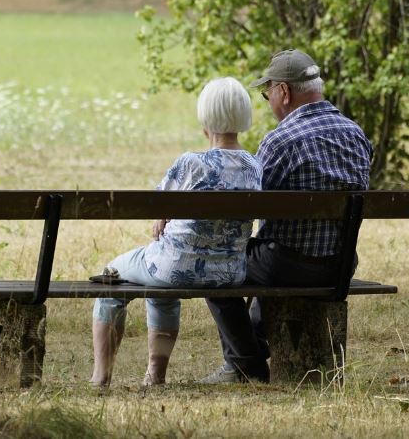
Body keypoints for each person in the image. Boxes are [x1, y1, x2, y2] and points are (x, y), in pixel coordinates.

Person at [200, 49, 373, 384]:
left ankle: (246, 365)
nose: (268, 102)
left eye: (267, 95)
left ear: (283, 91)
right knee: (271, 250)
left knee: (214, 262)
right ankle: (250, 353)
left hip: (287, 266)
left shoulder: (280, 142)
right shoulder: (356, 135)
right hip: (340, 265)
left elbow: (247, 207)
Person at [90, 77, 262, 387]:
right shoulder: (254, 166)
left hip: (174, 267)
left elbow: (157, 204)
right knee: (159, 282)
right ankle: (154, 376)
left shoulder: (191, 163)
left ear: (205, 118)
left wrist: (163, 216)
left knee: (111, 275)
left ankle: (101, 377)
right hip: (229, 273)